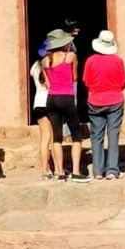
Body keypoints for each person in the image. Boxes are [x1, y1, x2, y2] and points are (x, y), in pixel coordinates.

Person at [42, 29, 90, 183]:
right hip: (66, 97)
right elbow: (75, 77)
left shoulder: (44, 61)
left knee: (56, 137)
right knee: (76, 136)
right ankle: (75, 171)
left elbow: (47, 83)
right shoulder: (70, 56)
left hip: (51, 98)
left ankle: (59, 171)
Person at [83, 30, 125, 180]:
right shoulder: (118, 61)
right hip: (115, 100)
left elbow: (86, 82)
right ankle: (112, 170)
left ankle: (97, 171)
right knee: (113, 134)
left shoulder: (90, 61)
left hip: (95, 101)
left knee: (96, 135)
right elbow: (123, 83)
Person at [30, 40, 54, 180]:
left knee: (44, 138)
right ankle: (54, 167)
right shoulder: (49, 67)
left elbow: (31, 73)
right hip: (49, 103)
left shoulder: (34, 66)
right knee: (52, 138)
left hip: (37, 103)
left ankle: (45, 169)